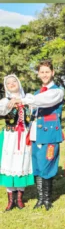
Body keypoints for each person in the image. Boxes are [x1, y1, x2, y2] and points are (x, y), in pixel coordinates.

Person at [21, 60, 64, 210]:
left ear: (53, 72)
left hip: (49, 134)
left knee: (47, 165)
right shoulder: (37, 92)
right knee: (38, 167)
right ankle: (40, 199)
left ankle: (47, 199)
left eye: (47, 71)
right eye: (42, 72)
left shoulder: (56, 91)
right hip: (35, 134)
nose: (45, 74)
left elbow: (44, 101)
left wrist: (24, 99)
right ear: (38, 74)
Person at [0, 75, 34, 211]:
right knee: (9, 163)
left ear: (19, 83)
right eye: (8, 83)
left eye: (14, 81)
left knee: (22, 162)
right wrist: (10, 105)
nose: (12, 84)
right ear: (6, 87)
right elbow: (2, 110)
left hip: (25, 135)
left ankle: (19, 198)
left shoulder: (28, 98)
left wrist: (20, 100)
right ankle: (10, 199)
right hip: (10, 136)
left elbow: (34, 102)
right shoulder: (4, 101)